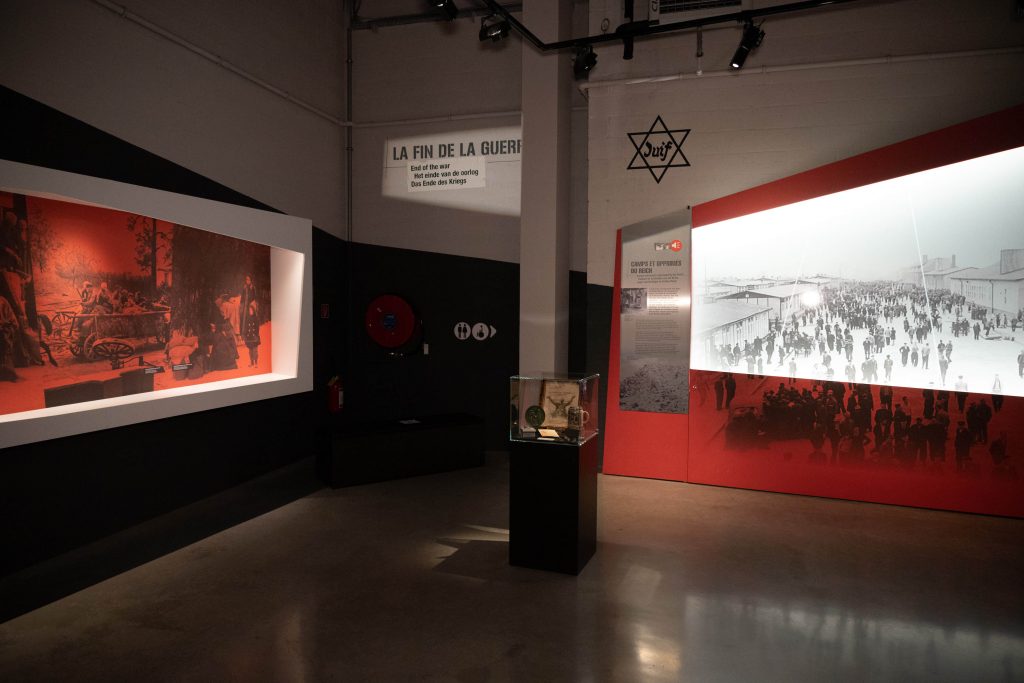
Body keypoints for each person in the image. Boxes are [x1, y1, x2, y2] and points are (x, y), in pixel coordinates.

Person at [243, 301, 261, 368]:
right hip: (249, 337)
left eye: (251, 310)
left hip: (254, 336)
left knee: (255, 350)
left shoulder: (256, 318)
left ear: (253, 310)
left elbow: (257, 328)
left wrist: (256, 335)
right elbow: (246, 327)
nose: (250, 311)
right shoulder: (247, 318)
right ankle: (252, 363)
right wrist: (245, 335)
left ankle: (256, 363)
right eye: (249, 310)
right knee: (250, 351)